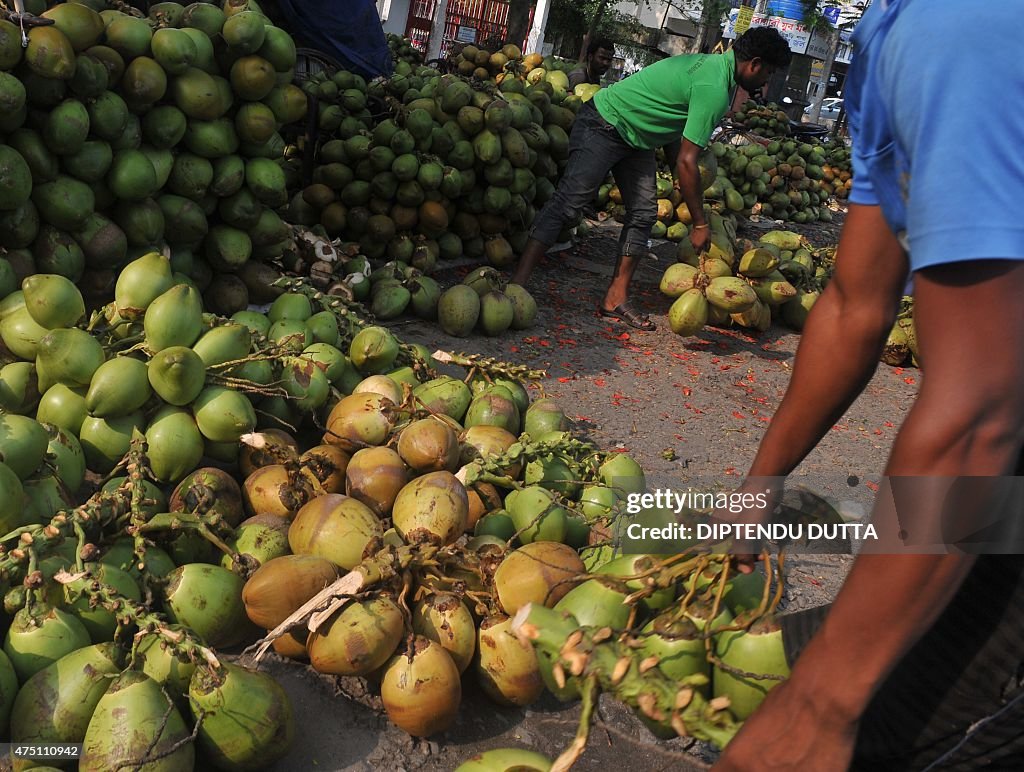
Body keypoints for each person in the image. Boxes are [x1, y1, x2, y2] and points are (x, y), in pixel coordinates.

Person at [712, 1, 1024, 770]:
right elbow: (855, 304)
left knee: (879, 719)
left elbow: (982, 411)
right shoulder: (895, 34)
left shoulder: (964, 25)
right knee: (790, 667)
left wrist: (821, 710)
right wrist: (759, 487)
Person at [510, 28, 792, 331]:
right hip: (605, 122)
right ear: (755, 64)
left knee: (644, 213)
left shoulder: (710, 67)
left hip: (637, 138)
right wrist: (699, 223)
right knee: (569, 203)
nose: (767, 80)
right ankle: (516, 287)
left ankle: (615, 298)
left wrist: (683, 184)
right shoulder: (714, 87)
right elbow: (687, 160)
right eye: (769, 72)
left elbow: (676, 129)